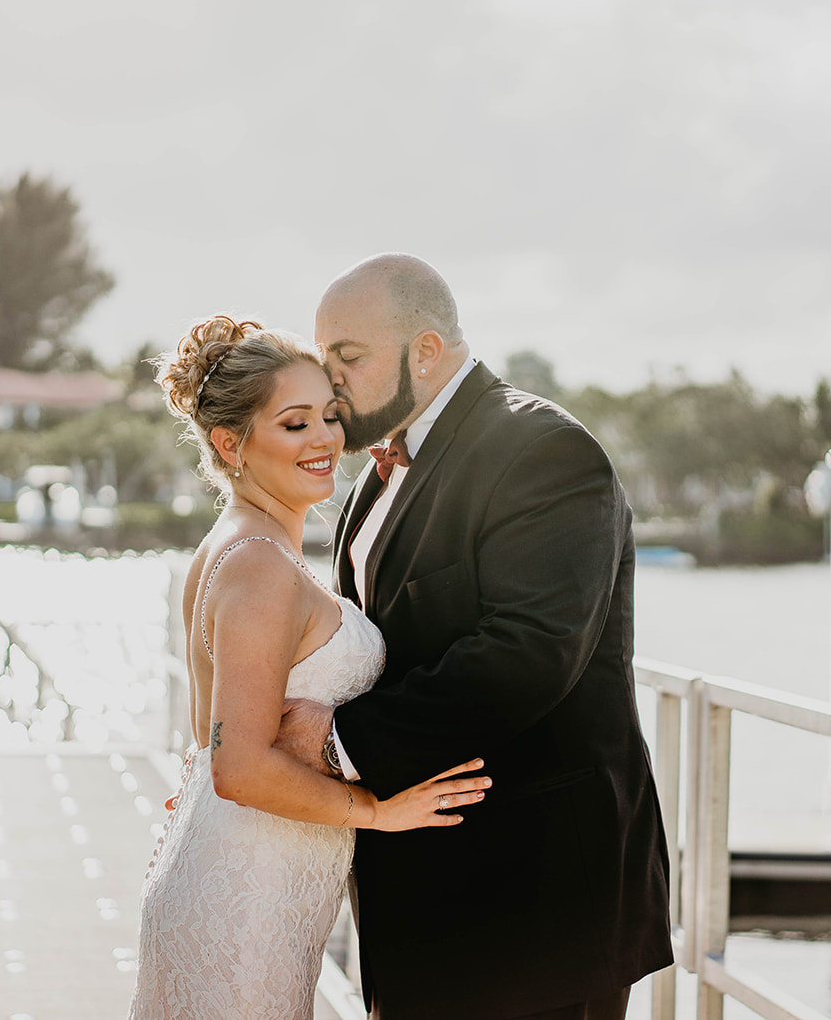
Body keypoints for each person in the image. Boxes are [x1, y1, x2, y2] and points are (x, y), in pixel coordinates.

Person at [275, 254, 674, 1019]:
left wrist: (334, 743)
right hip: (423, 904)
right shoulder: (369, 484)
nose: (330, 385)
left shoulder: (543, 450)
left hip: (538, 905)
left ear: (425, 350)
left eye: (347, 359)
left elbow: (528, 653)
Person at [129, 315, 492, 1020]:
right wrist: (380, 813)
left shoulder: (240, 545)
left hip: (250, 886)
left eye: (329, 415)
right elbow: (239, 766)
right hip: (244, 905)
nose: (326, 438)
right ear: (232, 443)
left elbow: (210, 742)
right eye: (295, 424)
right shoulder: (259, 565)